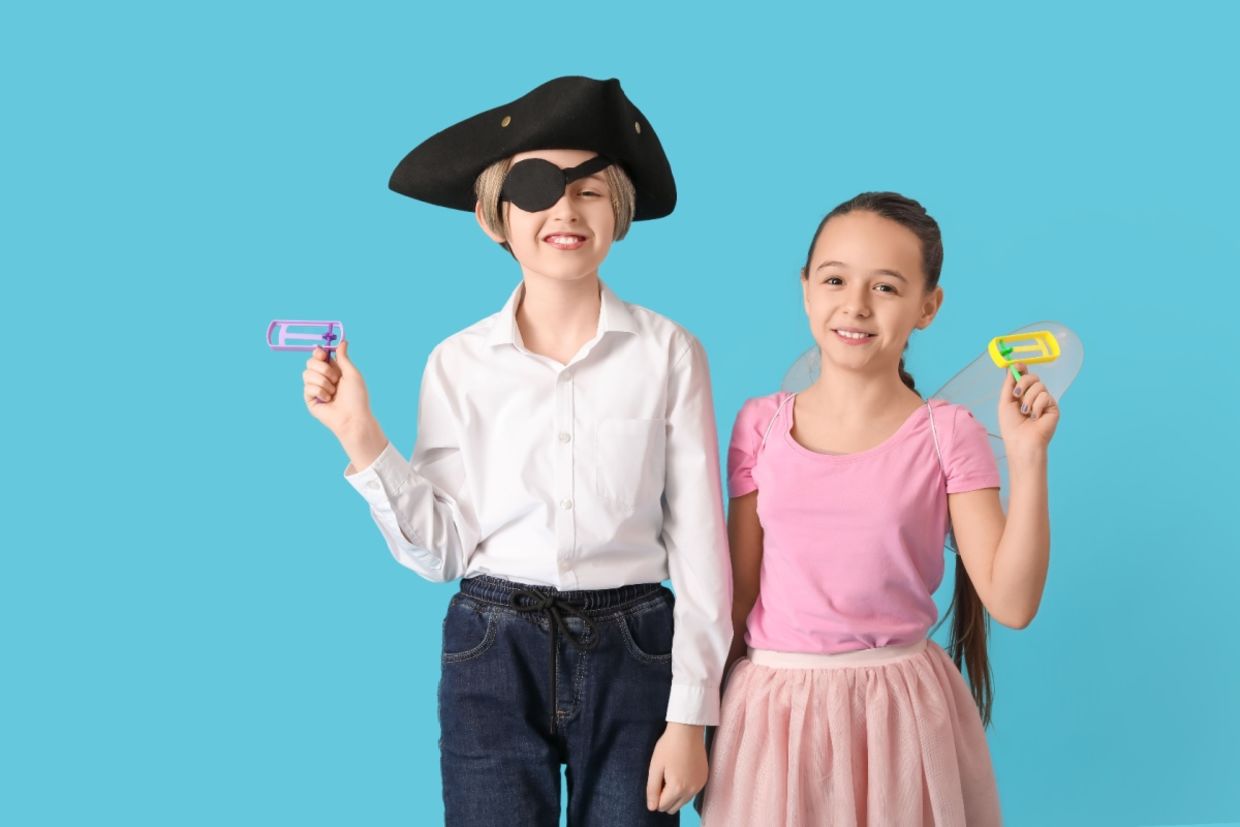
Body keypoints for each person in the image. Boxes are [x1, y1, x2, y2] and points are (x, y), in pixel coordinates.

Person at [300, 76, 730, 826]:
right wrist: (359, 435)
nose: (565, 210)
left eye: (589, 190)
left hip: (635, 648)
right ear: (493, 216)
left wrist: (691, 715)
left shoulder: (669, 354)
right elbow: (442, 551)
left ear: (620, 210)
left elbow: (699, 543)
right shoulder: (457, 364)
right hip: (492, 648)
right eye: (538, 189)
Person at [700, 192, 1058, 826]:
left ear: (928, 307)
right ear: (805, 289)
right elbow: (736, 598)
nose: (856, 305)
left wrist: (1028, 458)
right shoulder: (760, 425)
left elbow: (1013, 603)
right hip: (775, 716)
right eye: (835, 280)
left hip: (900, 717)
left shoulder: (949, 433)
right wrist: (695, 726)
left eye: (886, 287)